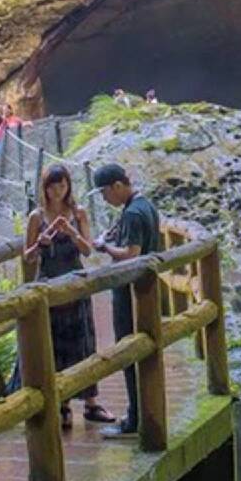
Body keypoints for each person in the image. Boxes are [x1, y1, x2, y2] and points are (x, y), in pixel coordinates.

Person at [22, 166, 115, 428]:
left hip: (75, 285)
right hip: (49, 286)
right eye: (52, 187)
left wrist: (71, 232)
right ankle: (62, 403)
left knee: (83, 344)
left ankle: (91, 402)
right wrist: (41, 242)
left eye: (62, 186)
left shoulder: (78, 212)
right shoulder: (36, 216)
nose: (57, 191)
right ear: (45, 188)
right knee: (56, 346)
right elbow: (27, 256)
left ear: (68, 186)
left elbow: (88, 250)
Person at [93, 163, 161, 439]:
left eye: (104, 192)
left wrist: (105, 247)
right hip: (144, 292)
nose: (104, 198)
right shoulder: (144, 205)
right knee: (141, 352)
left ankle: (134, 417)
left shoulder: (133, 212)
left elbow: (131, 253)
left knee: (128, 351)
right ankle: (144, 412)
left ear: (117, 186)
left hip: (130, 294)